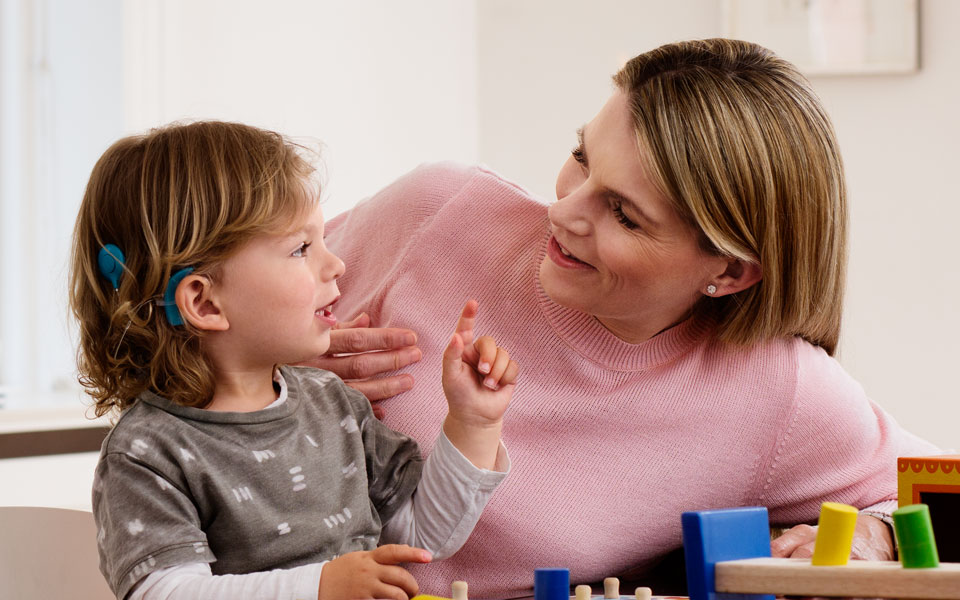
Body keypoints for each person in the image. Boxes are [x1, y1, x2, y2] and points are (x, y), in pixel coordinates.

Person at [314, 38, 941, 598]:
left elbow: (941, 492)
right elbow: (219, 296)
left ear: (727, 272)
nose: (562, 213)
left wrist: (875, 539)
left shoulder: (776, 390)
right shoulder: (439, 209)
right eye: (582, 158)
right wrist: (268, 374)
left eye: (624, 213)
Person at [69, 121, 518, 600]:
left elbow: (423, 537)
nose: (336, 264)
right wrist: (320, 587)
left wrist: (474, 423)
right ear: (204, 303)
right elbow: (167, 593)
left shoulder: (333, 405)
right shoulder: (147, 454)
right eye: (301, 248)